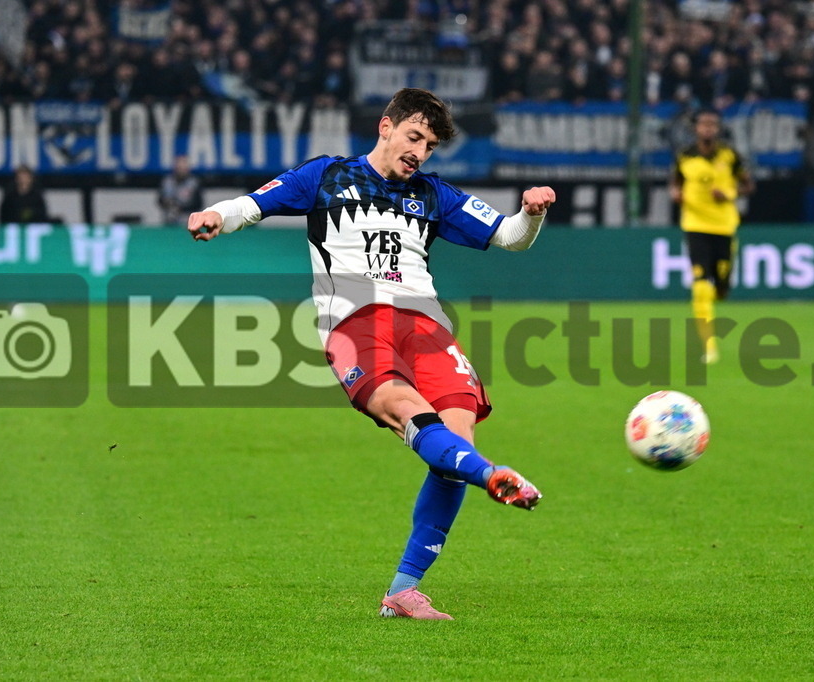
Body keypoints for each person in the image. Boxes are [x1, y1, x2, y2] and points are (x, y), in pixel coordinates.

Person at [187, 88, 556, 620]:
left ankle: (404, 591)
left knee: (456, 442)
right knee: (410, 413)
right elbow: (254, 203)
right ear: (386, 127)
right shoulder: (327, 175)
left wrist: (532, 212)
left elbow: (510, 236)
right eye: (414, 138)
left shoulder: (434, 194)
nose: (419, 153)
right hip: (354, 323)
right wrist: (216, 214)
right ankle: (491, 476)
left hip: (428, 326)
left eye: (429, 146)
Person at [668, 108, 754, 365]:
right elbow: (674, 183)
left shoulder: (730, 156)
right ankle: (709, 346)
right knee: (700, 286)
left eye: (712, 124)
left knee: (721, 288)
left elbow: (748, 185)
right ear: (695, 128)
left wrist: (729, 194)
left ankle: (720, 286)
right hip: (695, 225)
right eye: (703, 124)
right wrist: (676, 193)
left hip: (724, 227)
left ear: (718, 128)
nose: (707, 128)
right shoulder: (684, 156)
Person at [158, 155, 203, 225]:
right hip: (170, 219)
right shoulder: (167, 182)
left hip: (189, 220)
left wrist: (181, 207)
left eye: (183, 167)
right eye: (179, 167)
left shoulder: (193, 183)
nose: (181, 169)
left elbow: (198, 203)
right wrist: (168, 203)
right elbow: (160, 200)